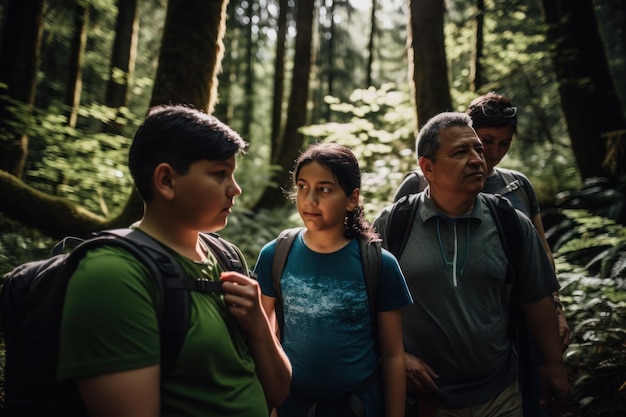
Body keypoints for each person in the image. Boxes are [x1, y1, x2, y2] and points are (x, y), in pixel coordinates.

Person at [57, 104, 292, 417]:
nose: (235, 189)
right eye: (220, 173)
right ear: (166, 180)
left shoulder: (227, 257)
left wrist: (259, 327)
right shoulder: (112, 275)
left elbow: (278, 392)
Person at [373, 112, 570, 417]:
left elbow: (536, 297)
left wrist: (554, 365)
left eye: (478, 149)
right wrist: (395, 358)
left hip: (501, 395)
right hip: (423, 401)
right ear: (428, 168)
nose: (479, 159)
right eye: (460, 152)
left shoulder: (511, 223)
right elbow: (366, 302)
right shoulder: (394, 224)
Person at [253, 142, 413, 417]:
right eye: (302, 186)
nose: (309, 199)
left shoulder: (379, 263)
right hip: (293, 406)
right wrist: (271, 404)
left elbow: (393, 355)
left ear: (352, 199)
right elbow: (262, 339)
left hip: (357, 407)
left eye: (324, 189)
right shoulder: (275, 255)